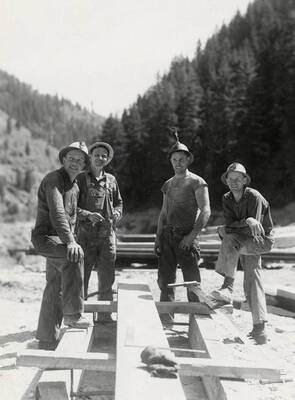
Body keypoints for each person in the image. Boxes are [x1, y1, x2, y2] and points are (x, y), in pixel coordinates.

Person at [31, 142, 92, 351]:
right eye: (72, 158)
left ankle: (47, 338)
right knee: (73, 257)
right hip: (46, 237)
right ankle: (73, 314)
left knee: (55, 285)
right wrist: (71, 241)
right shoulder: (53, 179)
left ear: (84, 165)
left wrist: (86, 214)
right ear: (64, 159)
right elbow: (57, 213)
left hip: (59, 240)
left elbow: (71, 212)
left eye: (80, 160)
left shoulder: (74, 185)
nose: (75, 163)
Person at [211, 162, 275, 344]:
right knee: (252, 279)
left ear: (245, 180)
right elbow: (232, 225)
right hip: (242, 239)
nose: (234, 182)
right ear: (227, 181)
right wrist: (245, 222)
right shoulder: (227, 198)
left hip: (261, 241)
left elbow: (254, 230)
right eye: (230, 179)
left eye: (238, 179)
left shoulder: (254, 196)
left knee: (227, 237)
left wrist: (242, 224)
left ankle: (227, 288)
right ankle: (259, 329)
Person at [154, 135, 211, 312]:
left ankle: (196, 319)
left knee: (192, 281)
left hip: (187, 235)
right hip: (167, 236)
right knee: (165, 280)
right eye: (174, 159)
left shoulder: (197, 182)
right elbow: (164, 212)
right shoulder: (168, 184)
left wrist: (191, 237)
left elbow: (206, 210)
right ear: (171, 161)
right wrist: (158, 237)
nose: (178, 163)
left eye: (181, 159)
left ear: (188, 160)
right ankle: (166, 319)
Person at [77, 141, 123, 323]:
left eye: (104, 156)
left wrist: (118, 212)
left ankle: (105, 315)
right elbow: (71, 207)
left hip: (107, 236)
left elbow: (119, 201)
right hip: (84, 236)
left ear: (107, 159)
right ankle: (78, 313)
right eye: (97, 155)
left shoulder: (111, 180)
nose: (100, 158)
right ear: (90, 156)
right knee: (81, 276)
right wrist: (88, 215)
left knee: (107, 276)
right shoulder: (80, 179)